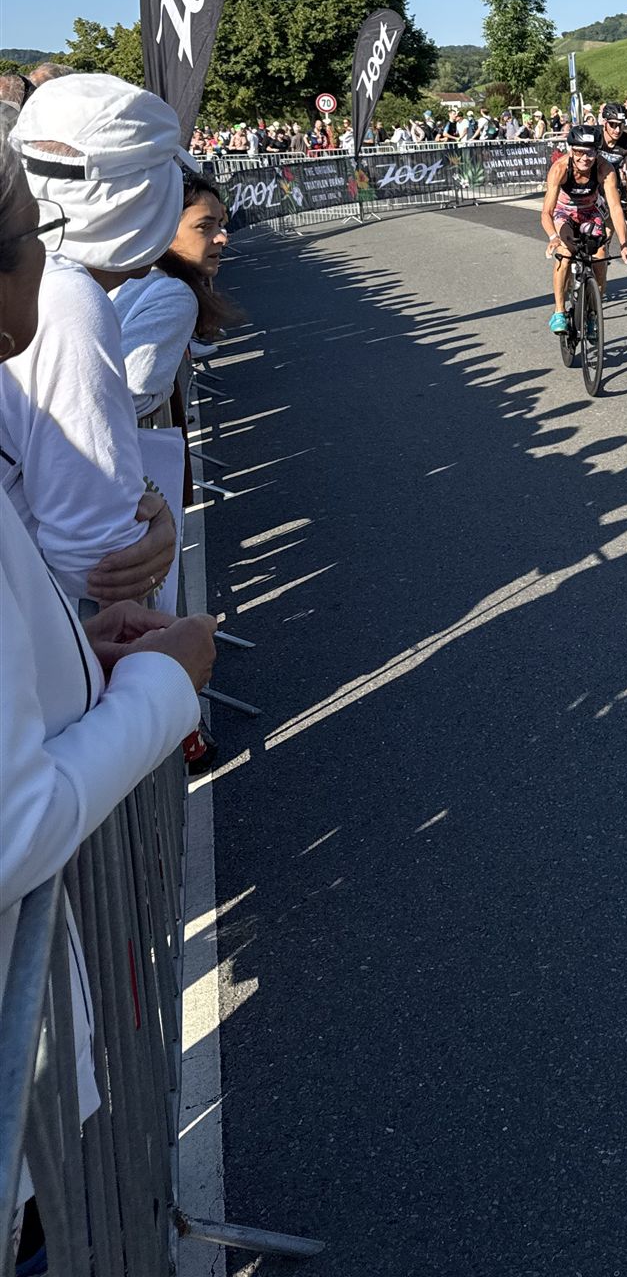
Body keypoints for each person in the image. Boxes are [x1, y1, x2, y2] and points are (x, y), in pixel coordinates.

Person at [0, 117, 216, 1173]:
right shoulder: (75, 305)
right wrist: (162, 690)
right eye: (25, 241)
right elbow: (14, 826)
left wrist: (79, 642)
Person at [0, 78, 188, 609]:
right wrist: (155, 522)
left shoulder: (43, 283)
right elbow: (102, 558)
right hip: (42, 628)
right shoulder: (66, 298)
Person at [112, 172, 238, 424]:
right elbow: (128, 398)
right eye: (204, 227)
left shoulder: (132, 275)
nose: (222, 237)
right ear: (163, 229)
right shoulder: (174, 294)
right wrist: (164, 390)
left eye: (220, 224)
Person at [540, 124, 627, 336]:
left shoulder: (604, 168)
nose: (585, 158)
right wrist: (553, 237)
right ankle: (559, 311)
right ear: (571, 150)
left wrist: (624, 245)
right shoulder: (560, 168)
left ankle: (593, 313)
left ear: (597, 152)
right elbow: (547, 212)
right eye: (579, 152)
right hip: (564, 213)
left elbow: (615, 208)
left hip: (590, 213)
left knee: (600, 259)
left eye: (590, 153)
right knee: (565, 254)